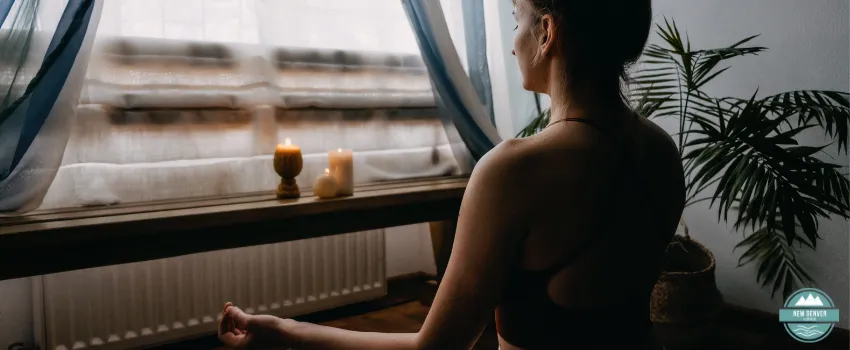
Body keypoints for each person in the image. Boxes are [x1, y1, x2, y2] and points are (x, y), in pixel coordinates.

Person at [218, 0, 685, 348]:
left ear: (546, 32)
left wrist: (283, 331)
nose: (511, 41)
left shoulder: (516, 170)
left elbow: (434, 348)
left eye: (517, 19)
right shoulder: (661, 152)